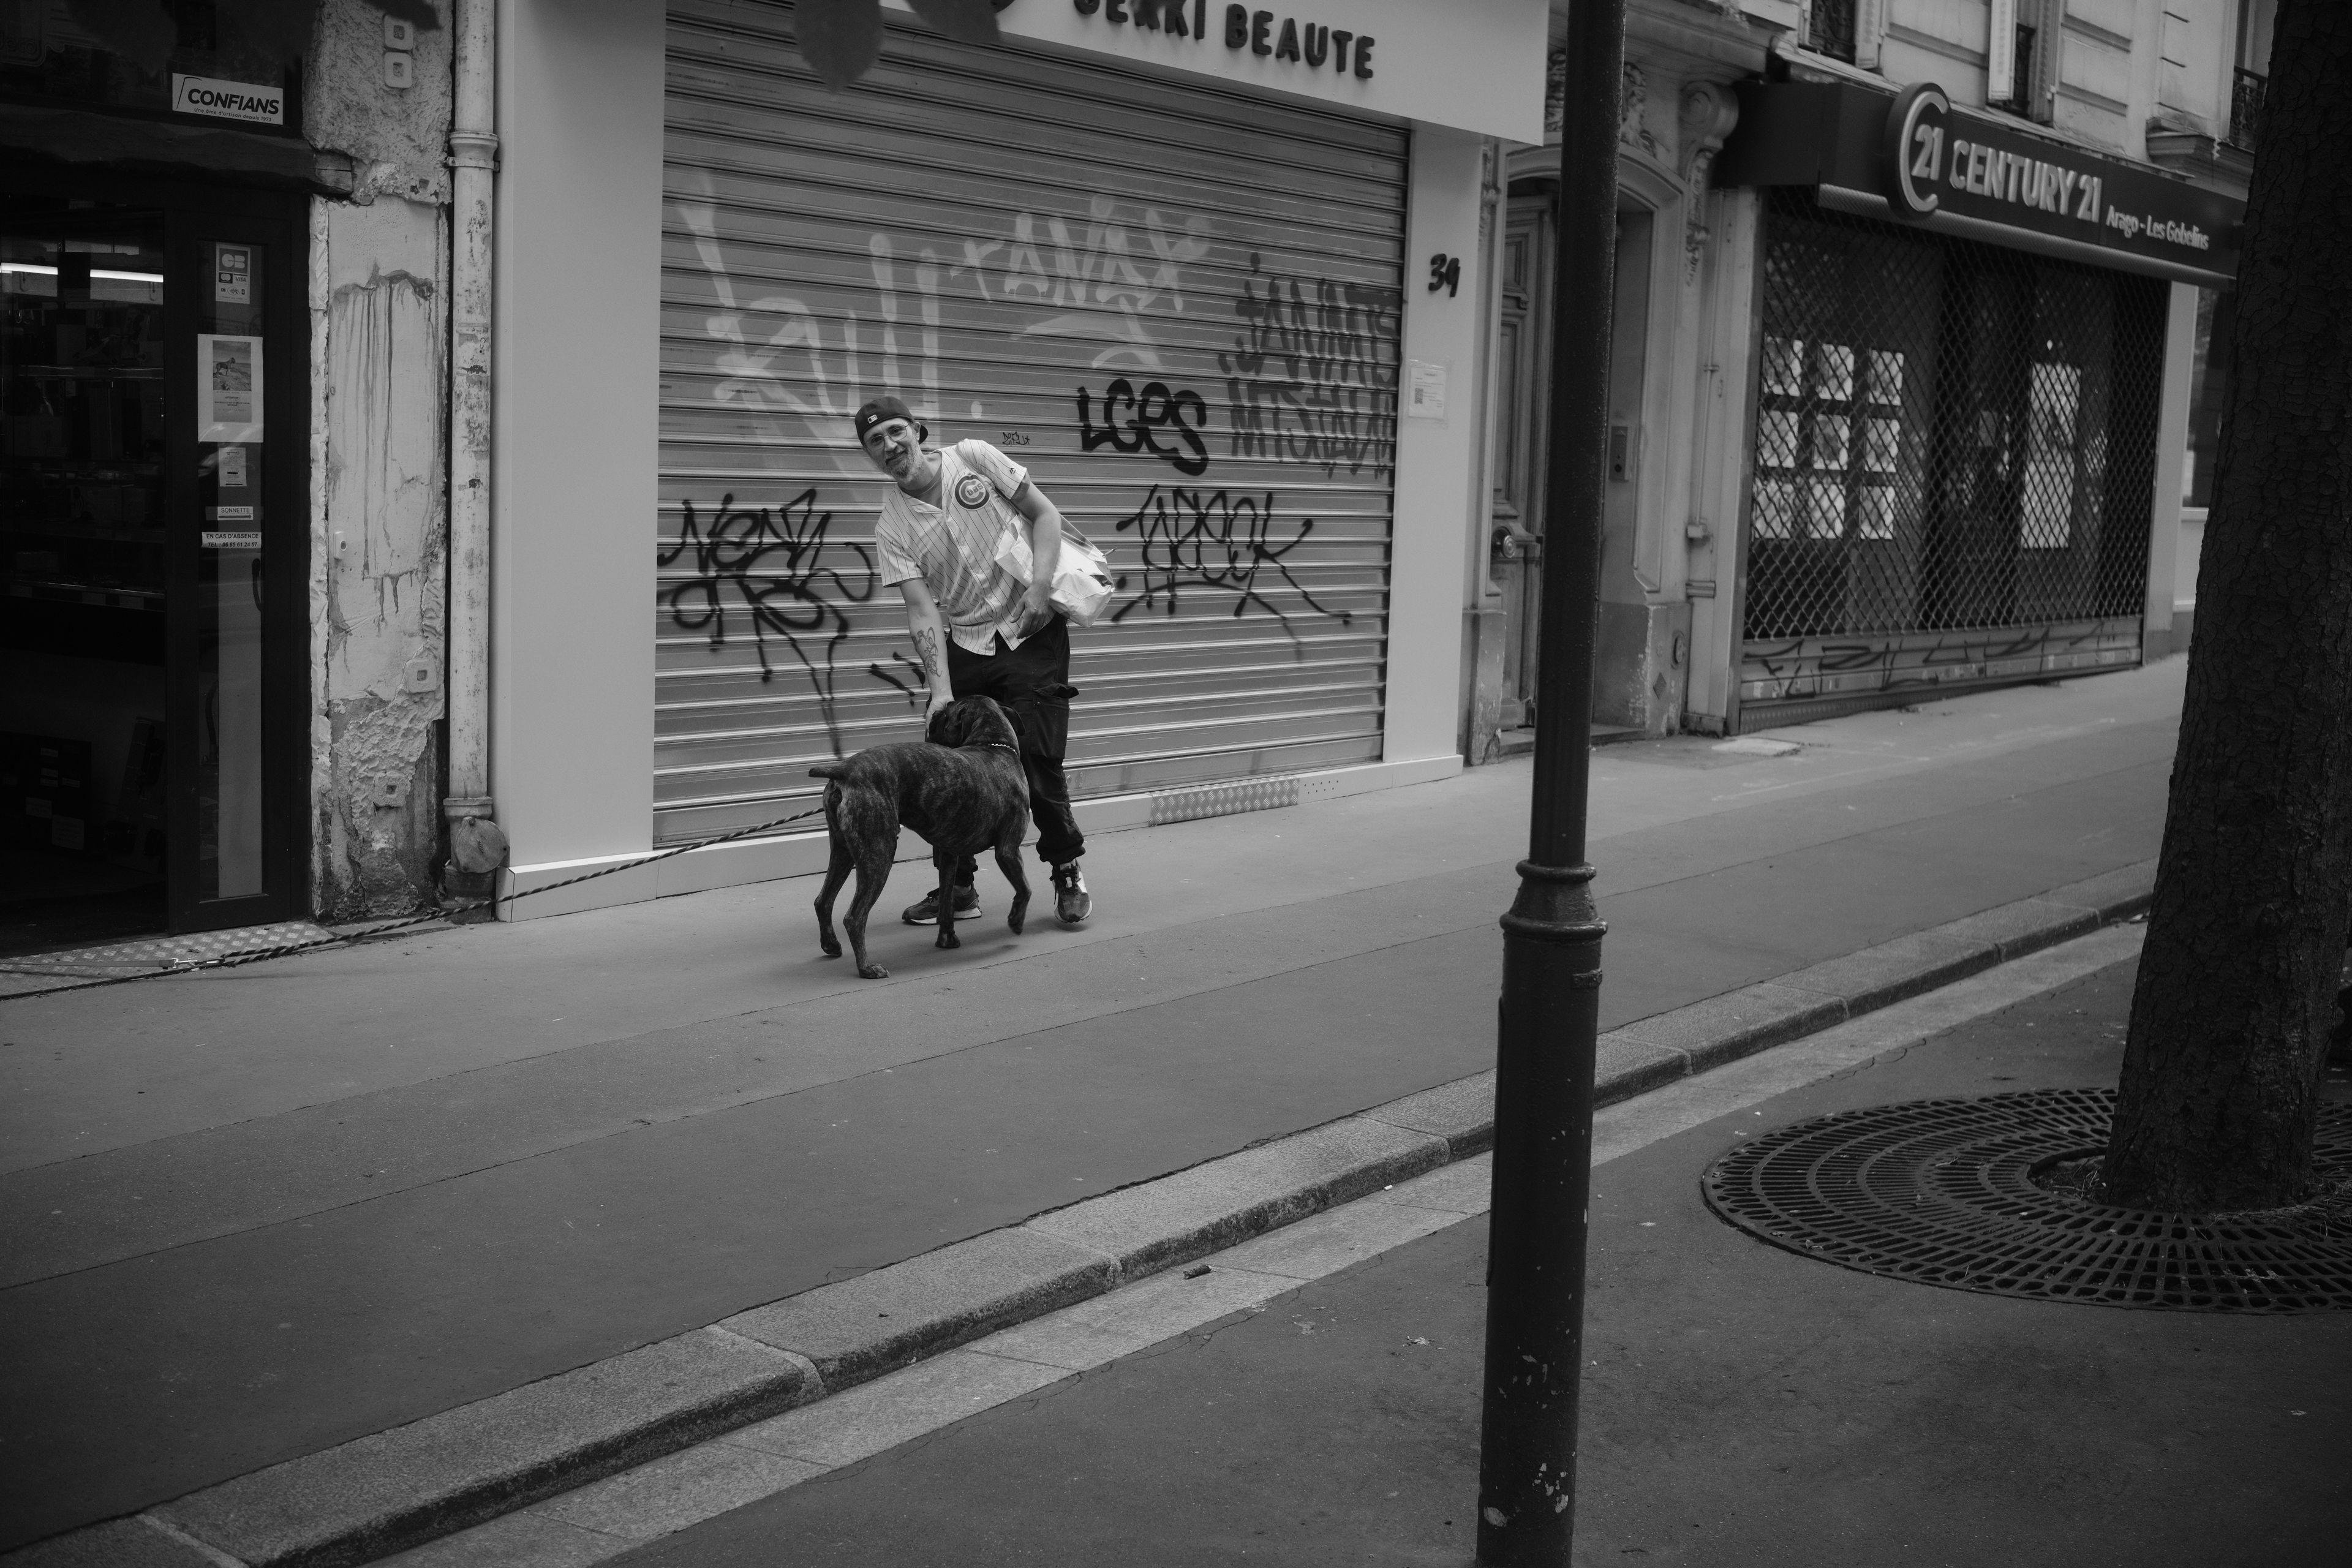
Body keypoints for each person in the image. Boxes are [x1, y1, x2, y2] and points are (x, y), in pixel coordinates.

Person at [858, 394, 1092, 928]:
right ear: (871, 456)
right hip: (969, 640)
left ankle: (1066, 869)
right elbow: (921, 611)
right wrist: (940, 692)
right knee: (948, 763)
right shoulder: (892, 527)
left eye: (896, 431)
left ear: (917, 430)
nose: (890, 445)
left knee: (1035, 757)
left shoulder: (975, 457)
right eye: (876, 441)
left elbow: (1045, 515)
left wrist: (1038, 589)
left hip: (1031, 628)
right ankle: (958, 887)